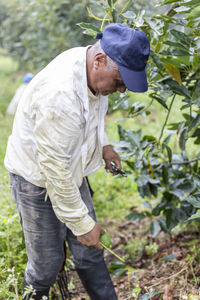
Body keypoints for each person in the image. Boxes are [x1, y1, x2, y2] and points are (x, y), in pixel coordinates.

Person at [4, 23, 150, 299]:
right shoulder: (59, 94)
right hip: (37, 180)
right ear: (99, 60)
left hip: (70, 169)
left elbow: (93, 110)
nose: (120, 90)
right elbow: (54, 171)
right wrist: (82, 225)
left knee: (90, 252)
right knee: (46, 264)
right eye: (120, 82)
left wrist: (104, 145)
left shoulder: (92, 70)